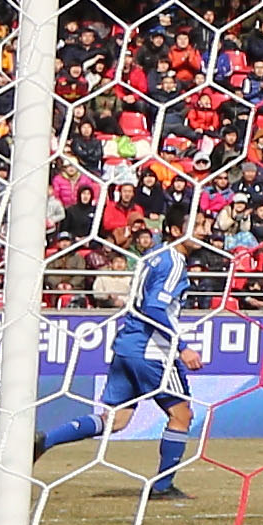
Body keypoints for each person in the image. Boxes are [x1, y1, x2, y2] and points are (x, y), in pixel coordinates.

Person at [85, 206, 199, 501]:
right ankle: (162, 487)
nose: (204, 231)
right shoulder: (174, 261)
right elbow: (154, 308)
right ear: (175, 231)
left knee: (116, 420)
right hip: (152, 350)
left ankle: (46, 441)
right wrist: (182, 347)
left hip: (127, 345)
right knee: (182, 414)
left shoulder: (153, 255)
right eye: (195, 224)